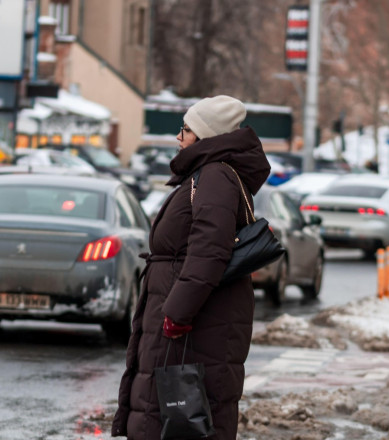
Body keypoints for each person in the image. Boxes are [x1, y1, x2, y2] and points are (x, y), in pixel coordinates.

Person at [112, 95, 271, 439]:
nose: (178, 137)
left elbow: (208, 251)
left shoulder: (214, 177)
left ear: (204, 135)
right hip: (191, 322)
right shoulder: (207, 175)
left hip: (193, 327)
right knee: (170, 418)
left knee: (177, 421)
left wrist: (177, 314)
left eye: (184, 129)